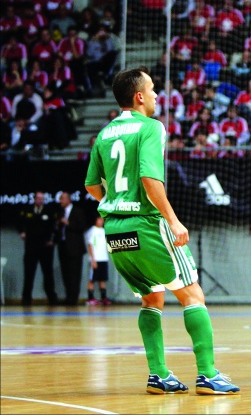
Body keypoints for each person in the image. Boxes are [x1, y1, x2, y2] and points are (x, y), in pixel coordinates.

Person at [84, 66, 239, 395]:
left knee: (151, 298)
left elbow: (91, 186)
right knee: (192, 294)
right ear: (139, 96)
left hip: (115, 229)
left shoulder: (105, 133)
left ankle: (159, 375)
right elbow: (149, 179)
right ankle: (208, 374)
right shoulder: (152, 127)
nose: (157, 95)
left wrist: (118, 202)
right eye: (153, 89)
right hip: (146, 223)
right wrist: (172, 219)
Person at [18, 190, 58, 305]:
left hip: (45, 247)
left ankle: (52, 298)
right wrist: (22, 232)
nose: (41, 200)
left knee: (48, 273)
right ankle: (26, 298)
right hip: (31, 246)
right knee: (29, 273)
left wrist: (52, 240)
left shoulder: (49, 211)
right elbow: (19, 222)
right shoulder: (27, 210)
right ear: (35, 199)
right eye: (39, 198)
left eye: (42, 198)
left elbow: (55, 227)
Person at [54, 191, 87, 305]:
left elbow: (81, 227)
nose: (60, 201)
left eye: (62, 199)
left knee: (74, 274)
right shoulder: (60, 213)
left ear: (68, 200)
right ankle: (68, 296)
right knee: (65, 273)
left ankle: (73, 298)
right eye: (60, 199)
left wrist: (68, 223)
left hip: (75, 248)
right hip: (63, 246)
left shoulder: (78, 211)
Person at [85, 215, 112, 306]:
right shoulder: (92, 231)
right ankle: (90, 298)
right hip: (95, 259)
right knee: (92, 279)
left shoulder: (104, 231)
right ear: (95, 220)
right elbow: (90, 245)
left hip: (103, 259)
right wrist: (93, 260)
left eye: (102, 220)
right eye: (99, 220)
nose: (101, 222)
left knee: (102, 279)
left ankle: (103, 298)